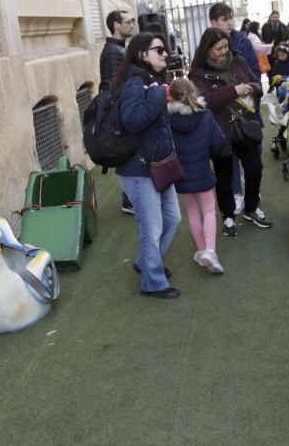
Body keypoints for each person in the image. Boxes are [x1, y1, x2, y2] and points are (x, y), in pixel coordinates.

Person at [114, 32, 182, 299]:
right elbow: (131, 121)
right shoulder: (134, 82)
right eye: (159, 50)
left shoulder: (152, 81)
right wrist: (156, 97)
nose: (165, 54)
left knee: (173, 219)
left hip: (157, 164)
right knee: (151, 227)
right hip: (138, 167)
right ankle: (152, 282)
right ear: (142, 54)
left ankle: (146, 264)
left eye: (165, 49)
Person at [189, 27, 271, 237]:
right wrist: (234, 90)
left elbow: (255, 81)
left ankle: (251, 208)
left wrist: (252, 88)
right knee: (223, 176)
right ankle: (228, 215)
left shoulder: (238, 60)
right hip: (220, 131)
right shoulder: (198, 74)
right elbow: (205, 101)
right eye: (218, 48)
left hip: (245, 126)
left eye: (226, 46)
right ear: (207, 50)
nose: (224, 51)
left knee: (255, 168)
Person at [167, 78, 226, 274]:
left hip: (182, 173)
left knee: (192, 211)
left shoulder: (168, 119)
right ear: (194, 92)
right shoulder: (206, 115)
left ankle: (202, 251)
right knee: (209, 210)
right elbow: (219, 142)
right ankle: (210, 250)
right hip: (202, 169)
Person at [101, 10, 137, 215]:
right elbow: (115, 86)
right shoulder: (113, 51)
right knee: (126, 155)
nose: (131, 24)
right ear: (116, 25)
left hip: (121, 111)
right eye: (127, 22)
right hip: (120, 113)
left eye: (132, 21)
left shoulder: (118, 49)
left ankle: (129, 199)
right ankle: (129, 200)